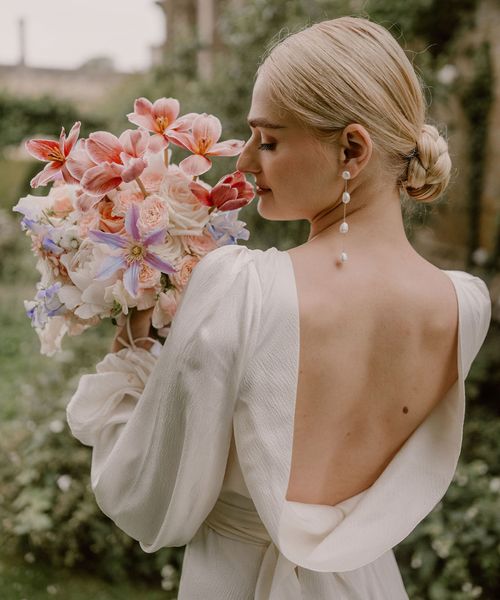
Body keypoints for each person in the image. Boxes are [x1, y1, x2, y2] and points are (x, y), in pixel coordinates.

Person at [67, 16, 491, 599]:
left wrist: (133, 363)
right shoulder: (463, 306)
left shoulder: (242, 291)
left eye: (268, 141)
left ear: (352, 149)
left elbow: (147, 499)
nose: (242, 163)